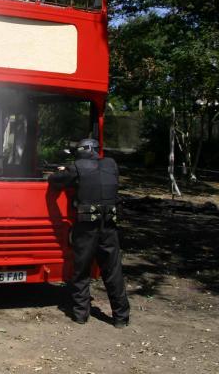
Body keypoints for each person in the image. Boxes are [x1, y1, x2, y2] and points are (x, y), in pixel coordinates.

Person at [48, 138, 130, 328]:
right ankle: (121, 317)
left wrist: (60, 172)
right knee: (113, 271)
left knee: (81, 270)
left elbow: (55, 182)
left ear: (83, 151)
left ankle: (80, 314)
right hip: (109, 225)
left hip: (87, 227)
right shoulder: (112, 164)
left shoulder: (77, 167)